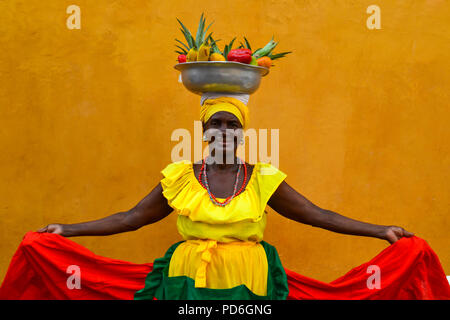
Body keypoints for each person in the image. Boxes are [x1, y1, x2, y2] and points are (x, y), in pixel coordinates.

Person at [37, 94, 414, 299]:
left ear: (242, 133)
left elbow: (317, 214)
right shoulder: (181, 176)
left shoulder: (261, 177)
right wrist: (66, 230)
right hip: (188, 277)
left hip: (247, 277)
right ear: (203, 131)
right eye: (215, 123)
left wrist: (380, 231)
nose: (223, 130)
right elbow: (130, 218)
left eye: (231, 124)